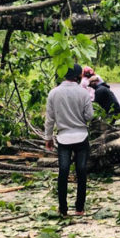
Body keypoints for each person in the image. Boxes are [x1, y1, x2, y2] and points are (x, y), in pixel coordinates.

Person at [44, 64, 94, 217]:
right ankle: (79, 208)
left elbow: (50, 119)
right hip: (81, 136)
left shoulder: (54, 93)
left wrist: (48, 138)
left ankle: (63, 209)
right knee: (81, 172)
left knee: (63, 172)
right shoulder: (83, 93)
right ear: (79, 76)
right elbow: (89, 116)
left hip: (63, 138)